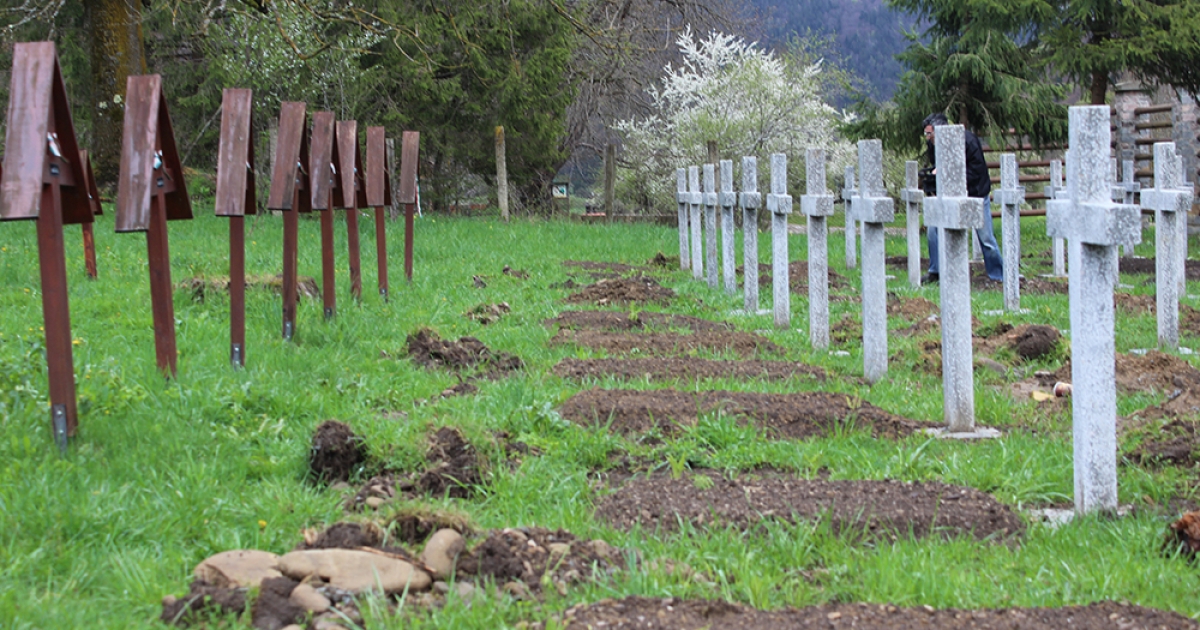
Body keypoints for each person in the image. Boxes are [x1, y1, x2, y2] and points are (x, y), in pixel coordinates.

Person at [921, 112, 1004, 283]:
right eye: (926, 134)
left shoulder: (968, 141)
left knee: (986, 237)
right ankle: (935, 271)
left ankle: (998, 275)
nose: (928, 138)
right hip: (948, 196)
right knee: (933, 231)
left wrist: (947, 172)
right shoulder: (933, 145)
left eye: (930, 133)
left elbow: (976, 172)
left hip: (976, 193)